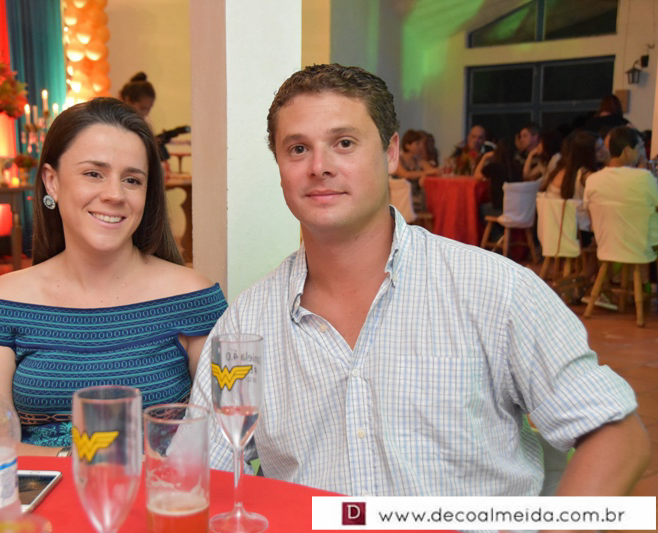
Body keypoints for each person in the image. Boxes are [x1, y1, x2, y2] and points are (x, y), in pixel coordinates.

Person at [189, 64, 649, 497]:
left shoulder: (496, 290)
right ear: (279, 166)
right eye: (297, 149)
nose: (319, 166)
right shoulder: (247, 324)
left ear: (390, 153)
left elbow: (616, 435)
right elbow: (205, 473)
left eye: (344, 143)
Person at [0, 98, 227, 455]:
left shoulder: (192, 296)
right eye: (93, 174)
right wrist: (93, 461)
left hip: (159, 488)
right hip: (40, 489)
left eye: (132, 180)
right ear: (52, 182)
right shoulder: (4, 301)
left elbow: (224, 432)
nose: (115, 194)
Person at [584, 126, 658, 252]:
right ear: (627, 151)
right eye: (640, 147)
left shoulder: (592, 180)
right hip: (643, 247)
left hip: (607, 247)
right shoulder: (643, 177)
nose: (642, 153)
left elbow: (589, 216)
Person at [390, 129, 438, 211]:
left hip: (416, 198)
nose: (420, 147)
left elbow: (433, 171)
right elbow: (405, 174)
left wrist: (427, 174)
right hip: (402, 200)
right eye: (417, 144)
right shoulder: (398, 160)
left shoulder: (417, 160)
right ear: (407, 146)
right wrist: (425, 173)